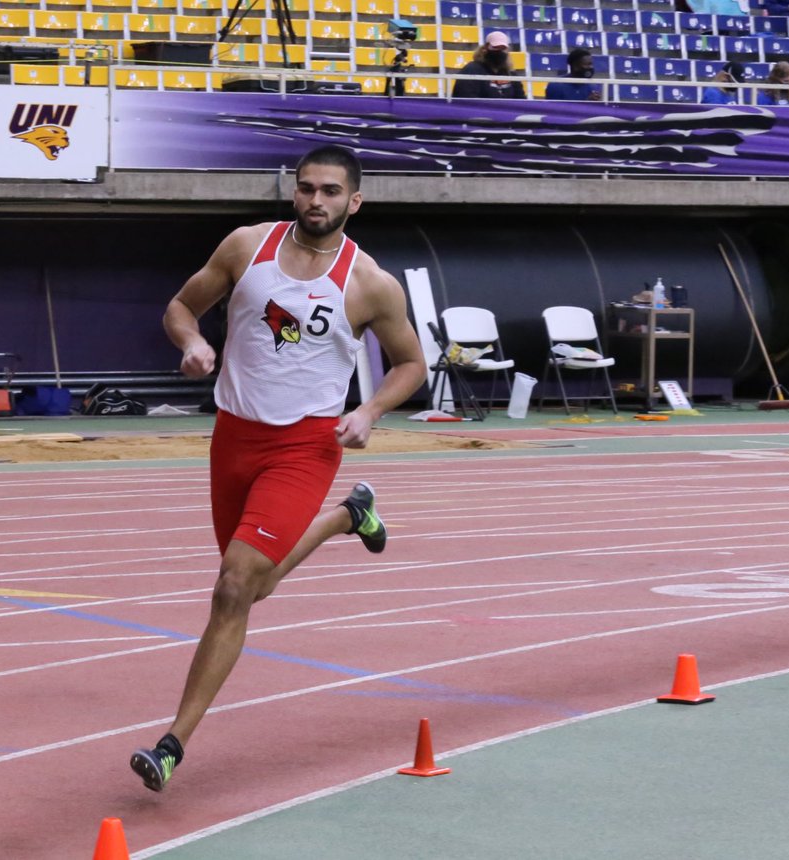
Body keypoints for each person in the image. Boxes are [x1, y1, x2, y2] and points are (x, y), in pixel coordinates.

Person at [129, 145, 428, 792]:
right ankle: (350, 516)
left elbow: (411, 364)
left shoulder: (369, 282)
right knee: (251, 586)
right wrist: (195, 340)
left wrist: (371, 411)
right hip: (234, 439)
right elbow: (180, 307)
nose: (315, 201)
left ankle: (173, 742)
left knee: (234, 588)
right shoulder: (246, 247)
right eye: (305, 189)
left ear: (355, 201)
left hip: (305, 447)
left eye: (329, 191)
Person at [451, 31, 526, 99]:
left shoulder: (511, 74)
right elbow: (465, 98)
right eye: (496, 47)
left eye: (503, 48)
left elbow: (521, 101)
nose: (499, 51)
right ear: (486, 48)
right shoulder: (471, 70)